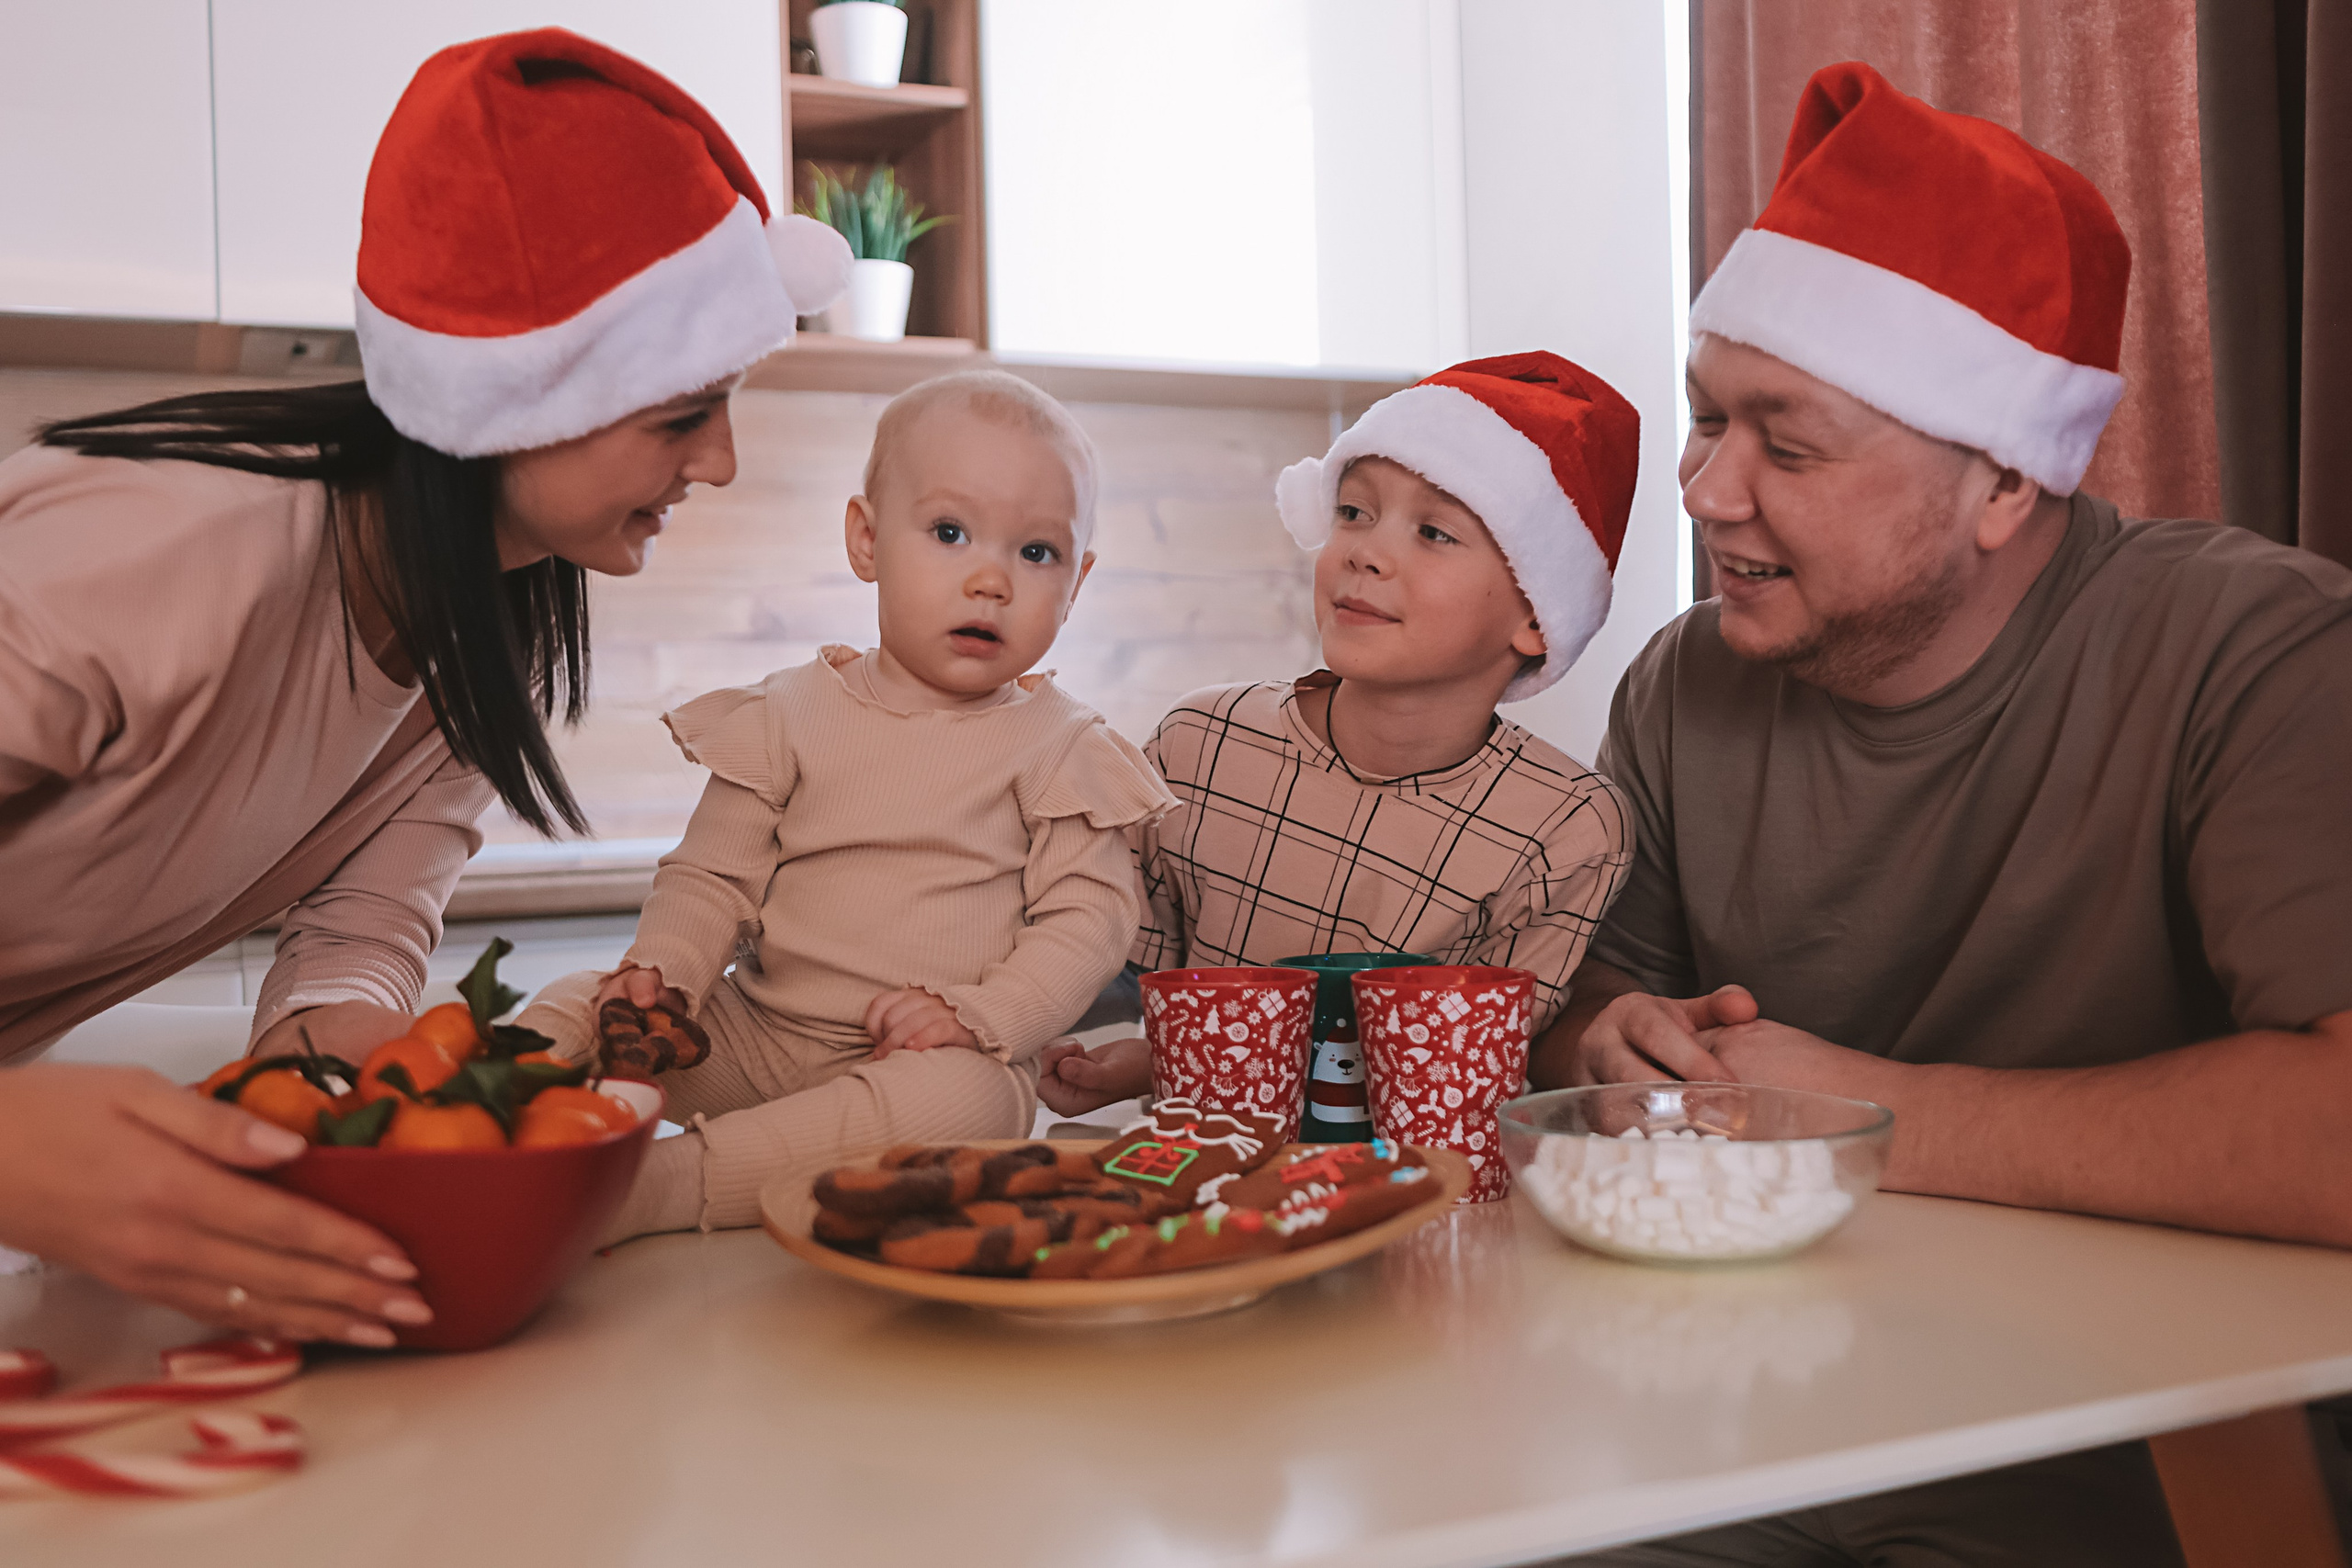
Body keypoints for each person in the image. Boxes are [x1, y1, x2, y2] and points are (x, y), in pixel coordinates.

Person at [1546, 63, 2352, 1565]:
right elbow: (1584, 999)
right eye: (1706, 419)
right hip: (1712, 1418)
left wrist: (1853, 1116)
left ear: (2000, 480)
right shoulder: (1681, 685)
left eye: (1783, 444)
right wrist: (1604, 1032)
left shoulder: (2259, 654)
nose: (1703, 488)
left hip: (2129, 1444)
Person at [0, 28, 853, 1348]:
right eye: (683, 415)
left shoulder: (475, 626)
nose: (724, 463)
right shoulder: (164, 545)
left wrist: (376, 1105)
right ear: (531, 391)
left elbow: (354, 939)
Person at [515, 371, 1174, 1244]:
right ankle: (474, 1120)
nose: (991, 580)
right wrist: (663, 981)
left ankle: (650, 1188)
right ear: (866, 540)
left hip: (923, 1060)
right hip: (753, 1040)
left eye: (1037, 553)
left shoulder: (1064, 747)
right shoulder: (788, 712)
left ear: (1077, 581)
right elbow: (712, 877)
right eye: (949, 532)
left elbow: (1088, 922)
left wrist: (982, 1018)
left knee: (976, 1100)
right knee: (579, 1002)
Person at [1038, 353, 1638, 1116]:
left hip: (1419, 1197)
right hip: (1207, 1186)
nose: (1362, 550)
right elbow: (1127, 974)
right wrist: (1143, 1061)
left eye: (1433, 532)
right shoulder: (1201, 744)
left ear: (1536, 616)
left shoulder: (1570, 829)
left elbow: (1487, 1071)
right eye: (1353, 512)